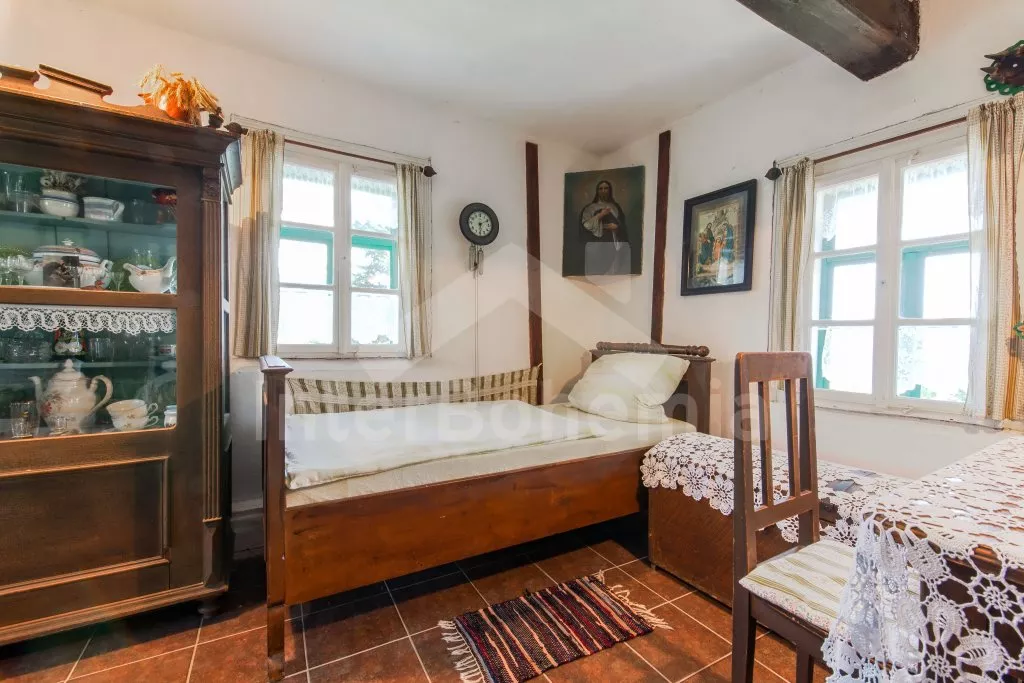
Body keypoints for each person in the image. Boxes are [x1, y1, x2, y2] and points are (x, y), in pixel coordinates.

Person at [579, 180, 629, 274]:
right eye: (601, 189)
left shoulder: (615, 207)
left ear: (610, 190)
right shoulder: (590, 208)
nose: (603, 191)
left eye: (606, 188)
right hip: (596, 247)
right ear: (597, 191)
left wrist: (616, 227)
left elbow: (622, 226)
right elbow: (586, 225)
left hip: (613, 245)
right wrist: (601, 215)